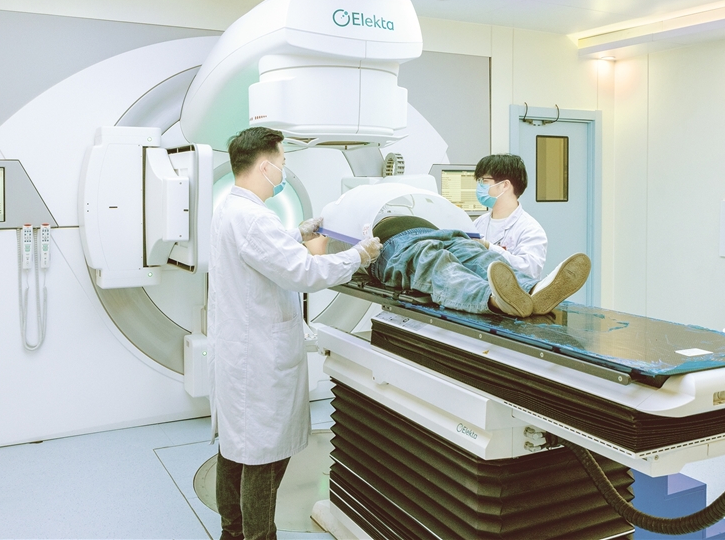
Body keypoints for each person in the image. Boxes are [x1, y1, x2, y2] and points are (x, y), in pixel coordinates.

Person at [208, 126, 382, 540]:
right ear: (265, 166)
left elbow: (263, 249)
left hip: (238, 352)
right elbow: (303, 272)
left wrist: (298, 233)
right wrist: (358, 256)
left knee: (235, 450)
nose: (283, 171)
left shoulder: (230, 208)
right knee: (263, 458)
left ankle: (232, 533)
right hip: (259, 360)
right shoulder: (255, 219)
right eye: (282, 163)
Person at [370, 215, 589, 319]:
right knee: (436, 264)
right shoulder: (362, 219)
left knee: (480, 255)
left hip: (441, 233)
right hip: (393, 246)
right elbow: (354, 259)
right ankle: (494, 299)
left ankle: (535, 290)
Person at [472, 154, 548, 279]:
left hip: (510, 289)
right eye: (478, 181)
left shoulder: (530, 229)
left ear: (505, 185)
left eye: (484, 181)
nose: (479, 186)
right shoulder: (478, 223)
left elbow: (529, 271)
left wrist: (489, 248)